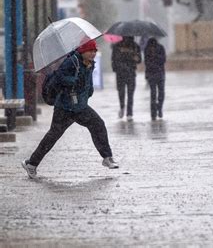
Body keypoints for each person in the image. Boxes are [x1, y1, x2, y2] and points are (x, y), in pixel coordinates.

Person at [21, 40, 118, 179]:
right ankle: (31, 164)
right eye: (90, 51)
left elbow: (87, 83)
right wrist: (72, 80)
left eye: (95, 51)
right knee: (53, 136)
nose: (93, 53)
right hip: (65, 107)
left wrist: (88, 90)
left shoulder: (89, 64)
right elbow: (59, 77)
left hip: (80, 106)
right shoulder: (72, 61)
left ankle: (107, 157)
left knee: (98, 125)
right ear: (83, 51)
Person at [111, 36, 142, 121]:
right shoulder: (118, 46)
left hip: (125, 73)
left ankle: (126, 110)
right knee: (127, 93)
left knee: (126, 93)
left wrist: (134, 57)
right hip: (126, 73)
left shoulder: (135, 46)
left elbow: (139, 60)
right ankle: (127, 111)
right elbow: (114, 59)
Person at [144, 38, 167, 120]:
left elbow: (163, 60)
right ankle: (153, 112)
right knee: (153, 94)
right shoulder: (147, 49)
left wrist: (155, 55)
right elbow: (146, 63)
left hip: (160, 73)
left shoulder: (161, 48)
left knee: (161, 93)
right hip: (151, 74)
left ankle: (159, 107)